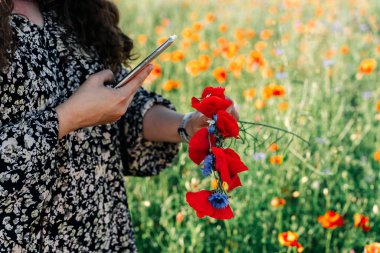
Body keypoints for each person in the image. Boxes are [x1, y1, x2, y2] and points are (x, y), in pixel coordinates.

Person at [0, 0, 238, 252]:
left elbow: (121, 110)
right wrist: (67, 118)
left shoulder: (69, 8)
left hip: (100, 234)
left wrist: (187, 125)